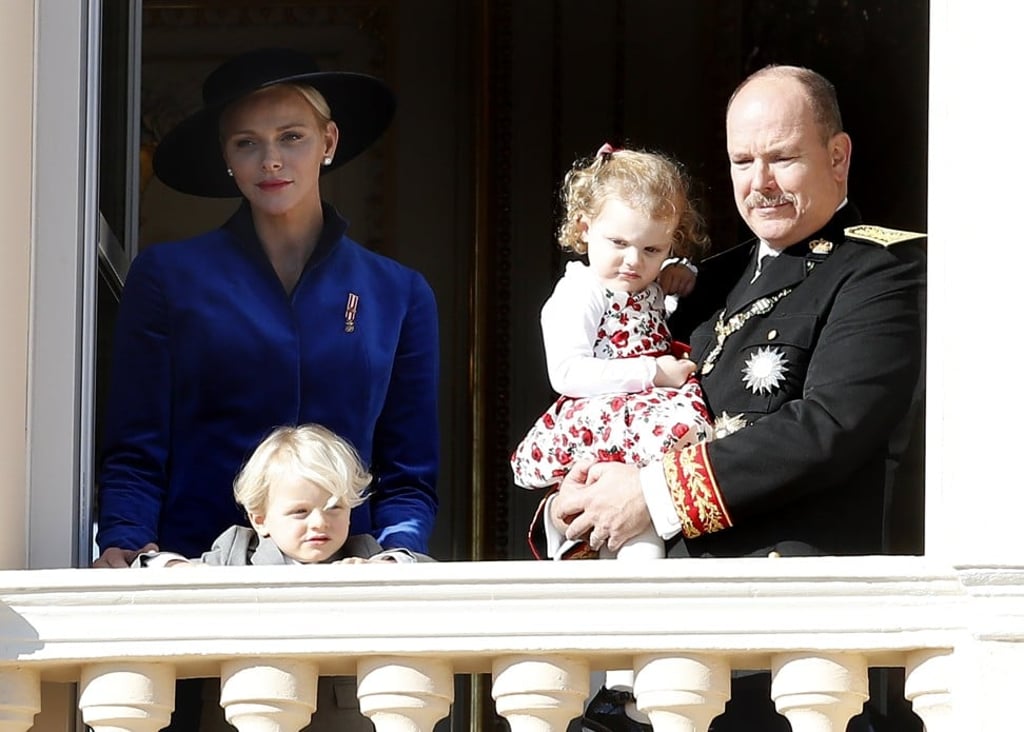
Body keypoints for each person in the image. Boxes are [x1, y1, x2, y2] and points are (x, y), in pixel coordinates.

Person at [542, 65, 926, 732]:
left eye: (782, 158)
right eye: (743, 160)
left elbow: (829, 427)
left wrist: (649, 496)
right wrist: (586, 497)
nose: (759, 182)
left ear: (838, 158)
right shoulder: (701, 284)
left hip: (778, 660)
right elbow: (620, 401)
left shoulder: (879, 273)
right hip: (654, 654)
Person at [92, 47, 440, 731]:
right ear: (227, 157)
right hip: (198, 598)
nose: (271, 160)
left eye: (291, 138)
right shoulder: (167, 279)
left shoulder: (399, 293)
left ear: (329, 142)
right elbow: (134, 449)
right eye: (247, 143)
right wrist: (126, 544)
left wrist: (396, 554)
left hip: (346, 600)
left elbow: (409, 472)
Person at [134, 424, 431, 732]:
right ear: (260, 519)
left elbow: (433, 574)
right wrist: (176, 569)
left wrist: (388, 564)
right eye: (300, 511)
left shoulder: (362, 553)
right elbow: (144, 572)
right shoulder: (237, 554)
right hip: (250, 713)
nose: (319, 522)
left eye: (334, 508)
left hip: (340, 721)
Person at [511, 143, 713, 563]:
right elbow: (567, 373)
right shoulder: (579, 293)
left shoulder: (648, 284)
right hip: (606, 423)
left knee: (646, 524)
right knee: (612, 533)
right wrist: (651, 373)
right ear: (583, 227)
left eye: (652, 250)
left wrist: (682, 273)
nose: (633, 262)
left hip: (646, 420)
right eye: (618, 242)